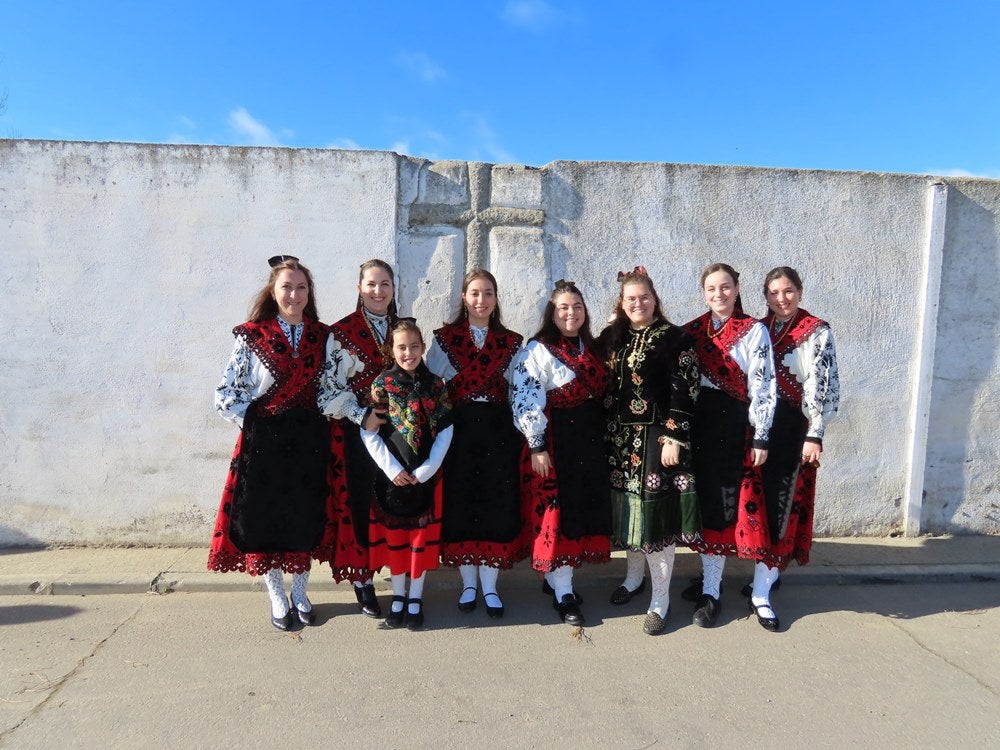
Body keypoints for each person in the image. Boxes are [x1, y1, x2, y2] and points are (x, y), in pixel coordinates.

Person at [208, 255, 332, 630]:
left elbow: (329, 387)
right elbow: (226, 394)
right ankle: (277, 596)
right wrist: (257, 423)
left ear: (309, 292)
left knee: (303, 517)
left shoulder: (321, 336)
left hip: (308, 441)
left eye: (301, 287)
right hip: (264, 443)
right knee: (266, 521)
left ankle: (301, 593)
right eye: (287, 287)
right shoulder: (252, 335)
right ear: (273, 291)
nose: (294, 294)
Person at [598, 267, 701, 635]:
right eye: (630, 299)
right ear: (621, 304)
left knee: (656, 521)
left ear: (655, 298)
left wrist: (674, 435)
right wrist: (612, 326)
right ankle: (633, 579)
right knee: (630, 512)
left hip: (659, 439)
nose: (637, 303)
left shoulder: (676, 338)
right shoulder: (617, 337)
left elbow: (685, 388)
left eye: (643, 297)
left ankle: (661, 599)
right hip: (620, 441)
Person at [510, 279, 611, 626]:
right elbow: (524, 396)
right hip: (556, 443)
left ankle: (557, 580)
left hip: (590, 441)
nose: (571, 313)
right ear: (552, 314)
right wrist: (537, 445)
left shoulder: (593, 348)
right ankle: (564, 593)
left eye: (577, 306)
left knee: (580, 510)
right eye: (563, 307)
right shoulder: (538, 349)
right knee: (558, 514)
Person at [426, 269, 526, 618]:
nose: (481, 300)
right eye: (474, 293)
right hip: (459, 431)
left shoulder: (512, 341)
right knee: (462, 501)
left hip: (499, 431)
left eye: (488, 293)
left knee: (496, 503)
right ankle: (468, 583)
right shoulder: (443, 339)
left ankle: (491, 585)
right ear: (464, 298)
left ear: (496, 299)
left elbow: (520, 391)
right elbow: (432, 388)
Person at [682, 263, 776, 629]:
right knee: (706, 504)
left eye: (725, 287)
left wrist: (760, 435)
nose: (718, 294)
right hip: (699, 426)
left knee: (726, 505)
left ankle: (713, 593)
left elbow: (763, 386)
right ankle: (709, 582)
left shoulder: (753, 331)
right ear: (703, 293)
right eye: (711, 289)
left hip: (734, 426)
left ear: (737, 289)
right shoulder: (692, 331)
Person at [750, 266, 840, 629]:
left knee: (783, 502)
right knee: (755, 501)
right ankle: (761, 572)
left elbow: (822, 382)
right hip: (758, 427)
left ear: (800, 292)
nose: (781, 299)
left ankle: (762, 588)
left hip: (793, 428)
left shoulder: (816, 331)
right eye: (773, 292)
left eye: (787, 291)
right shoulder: (758, 328)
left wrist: (814, 433)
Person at [315, 259, 396, 618]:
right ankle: (362, 581)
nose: (378, 292)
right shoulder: (341, 332)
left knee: (393, 501)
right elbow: (328, 390)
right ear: (359, 288)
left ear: (394, 289)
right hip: (354, 432)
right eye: (371, 284)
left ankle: (398, 574)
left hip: (397, 431)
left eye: (385, 284)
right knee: (358, 504)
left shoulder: (402, 328)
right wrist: (362, 415)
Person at [361, 319, 454, 630]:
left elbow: (446, 429)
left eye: (414, 346)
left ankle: (416, 597)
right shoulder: (382, 385)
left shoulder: (436, 386)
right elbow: (370, 433)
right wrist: (392, 469)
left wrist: (429, 468)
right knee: (397, 541)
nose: (408, 353)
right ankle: (398, 597)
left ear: (423, 348)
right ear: (392, 350)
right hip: (393, 476)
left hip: (425, 476)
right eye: (401, 347)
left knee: (419, 542)